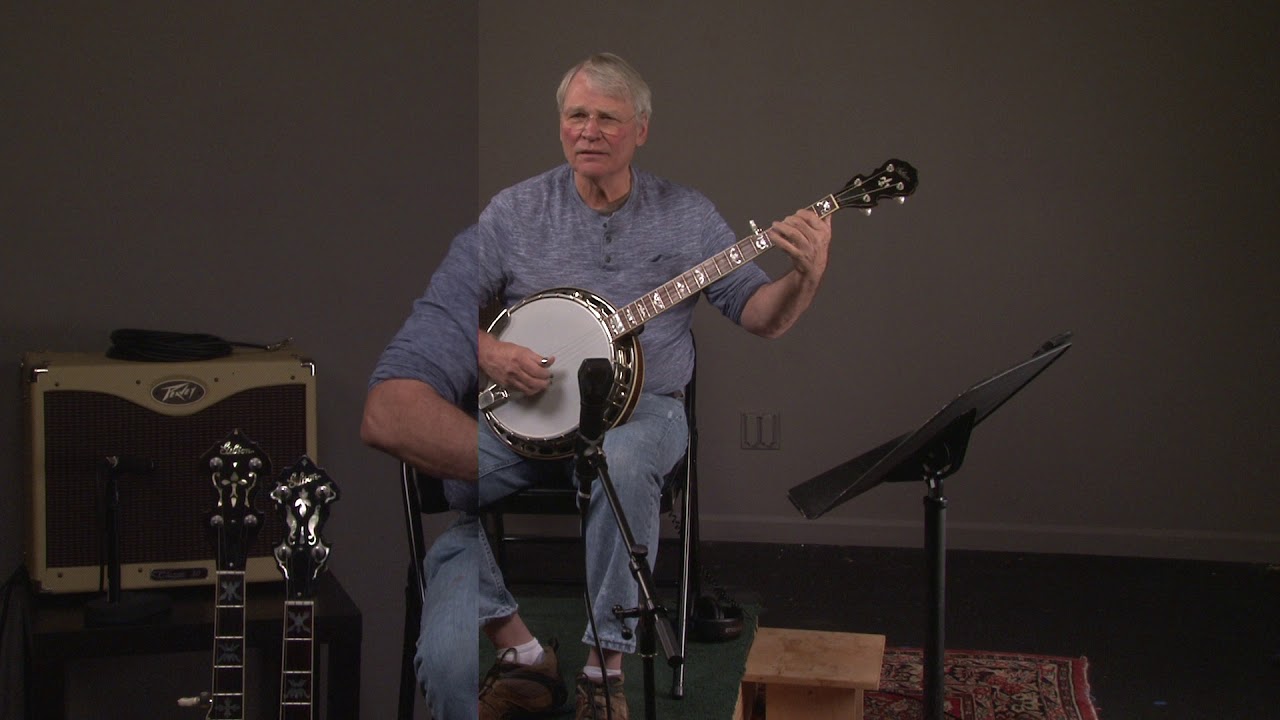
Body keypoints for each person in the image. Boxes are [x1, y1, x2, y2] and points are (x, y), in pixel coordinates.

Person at [364, 52, 834, 720]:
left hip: (647, 413)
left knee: (624, 457)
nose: (588, 130)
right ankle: (520, 647)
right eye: (576, 115)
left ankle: (602, 671)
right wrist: (491, 351)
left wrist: (804, 278)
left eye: (607, 118)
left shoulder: (688, 215)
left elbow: (760, 316)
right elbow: (445, 320)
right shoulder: (516, 211)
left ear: (639, 129)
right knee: (445, 467)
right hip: (530, 414)